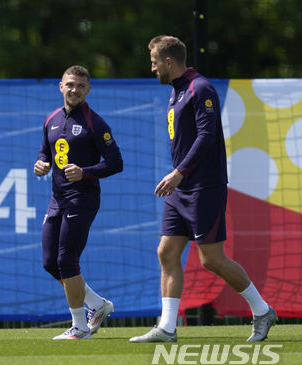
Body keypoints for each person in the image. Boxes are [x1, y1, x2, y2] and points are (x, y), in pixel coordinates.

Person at [130, 35, 276, 343]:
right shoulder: (177, 91)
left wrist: (180, 173)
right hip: (181, 189)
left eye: (155, 61)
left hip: (203, 187)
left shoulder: (201, 88)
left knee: (211, 259)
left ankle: (262, 310)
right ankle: (167, 328)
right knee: (166, 252)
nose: (152, 67)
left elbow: (207, 137)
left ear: (169, 62)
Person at [34, 65, 123, 340]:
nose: (74, 90)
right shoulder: (51, 119)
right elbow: (45, 152)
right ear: (60, 86)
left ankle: (80, 327)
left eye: (80, 86)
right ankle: (96, 304)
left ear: (88, 90)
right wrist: (41, 164)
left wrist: (85, 172)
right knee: (51, 262)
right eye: (70, 85)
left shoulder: (95, 123)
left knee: (67, 260)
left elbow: (115, 163)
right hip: (57, 199)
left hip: (82, 199)